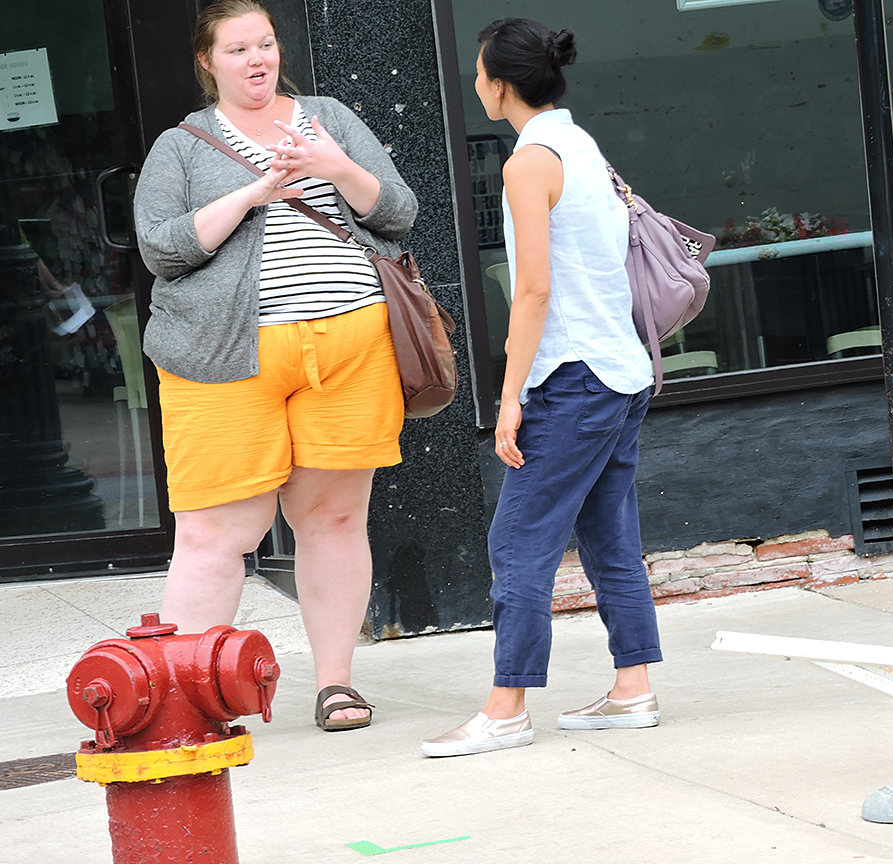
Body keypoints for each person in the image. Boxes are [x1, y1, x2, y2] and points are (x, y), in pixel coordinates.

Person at [133, 0, 417, 731]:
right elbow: (161, 248)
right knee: (213, 534)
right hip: (223, 358)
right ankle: (186, 705)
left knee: (334, 518)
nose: (256, 59)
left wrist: (333, 165)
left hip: (350, 345)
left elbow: (397, 212)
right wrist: (255, 192)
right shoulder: (181, 145)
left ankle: (335, 684)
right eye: (237, 49)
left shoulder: (328, 117)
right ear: (208, 62)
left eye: (264, 44)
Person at [422, 18, 662, 758]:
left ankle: (507, 707)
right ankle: (633, 688)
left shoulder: (530, 163)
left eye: (478, 73)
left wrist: (509, 397)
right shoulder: (581, 144)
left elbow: (531, 291)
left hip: (575, 378)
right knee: (609, 535)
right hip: (621, 371)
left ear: (500, 85)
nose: (474, 83)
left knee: (517, 541)